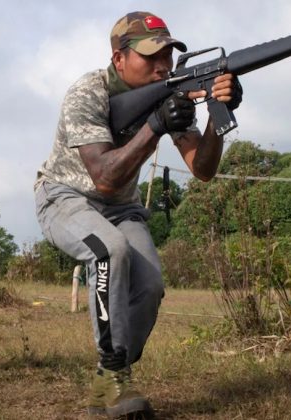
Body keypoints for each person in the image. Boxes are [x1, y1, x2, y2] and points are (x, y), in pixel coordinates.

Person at [34, 11, 243, 418]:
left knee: (149, 287)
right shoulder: (87, 93)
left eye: (167, 54)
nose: (162, 65)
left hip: (121, 207)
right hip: (65, 198)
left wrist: (218, 115)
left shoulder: (168, 92)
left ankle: (108, 382)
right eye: (150, 56)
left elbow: (202, 170)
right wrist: (155, 125)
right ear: (119, 59)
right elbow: (104, 178)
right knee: (110, 251)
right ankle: (114, 380)